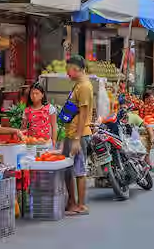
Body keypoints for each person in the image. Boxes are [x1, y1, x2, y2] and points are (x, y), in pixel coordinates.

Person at [64, 55, 94, 215]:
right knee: (69, 170)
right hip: (72, 133)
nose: (67, 73)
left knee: (78, 170)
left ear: (75, 69)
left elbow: (83, 115)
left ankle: (81, 205)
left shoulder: (84, 87)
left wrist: (76, 139)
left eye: (68, 69)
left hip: (79, 135)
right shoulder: (78, 85)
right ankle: (72, 202)